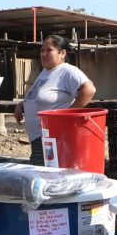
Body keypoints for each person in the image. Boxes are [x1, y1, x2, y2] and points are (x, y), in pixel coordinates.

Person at [14, 34, 96, 165]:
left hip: (52, 139)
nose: (44, 54)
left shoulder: (67, 70)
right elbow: (41, 97)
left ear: (62, 53)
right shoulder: (46, 72)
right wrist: (22, 104)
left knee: (44, 178)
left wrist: (68, 115)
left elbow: (89, 90)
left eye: (49, 50)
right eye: (42, 50)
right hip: (38, 139)